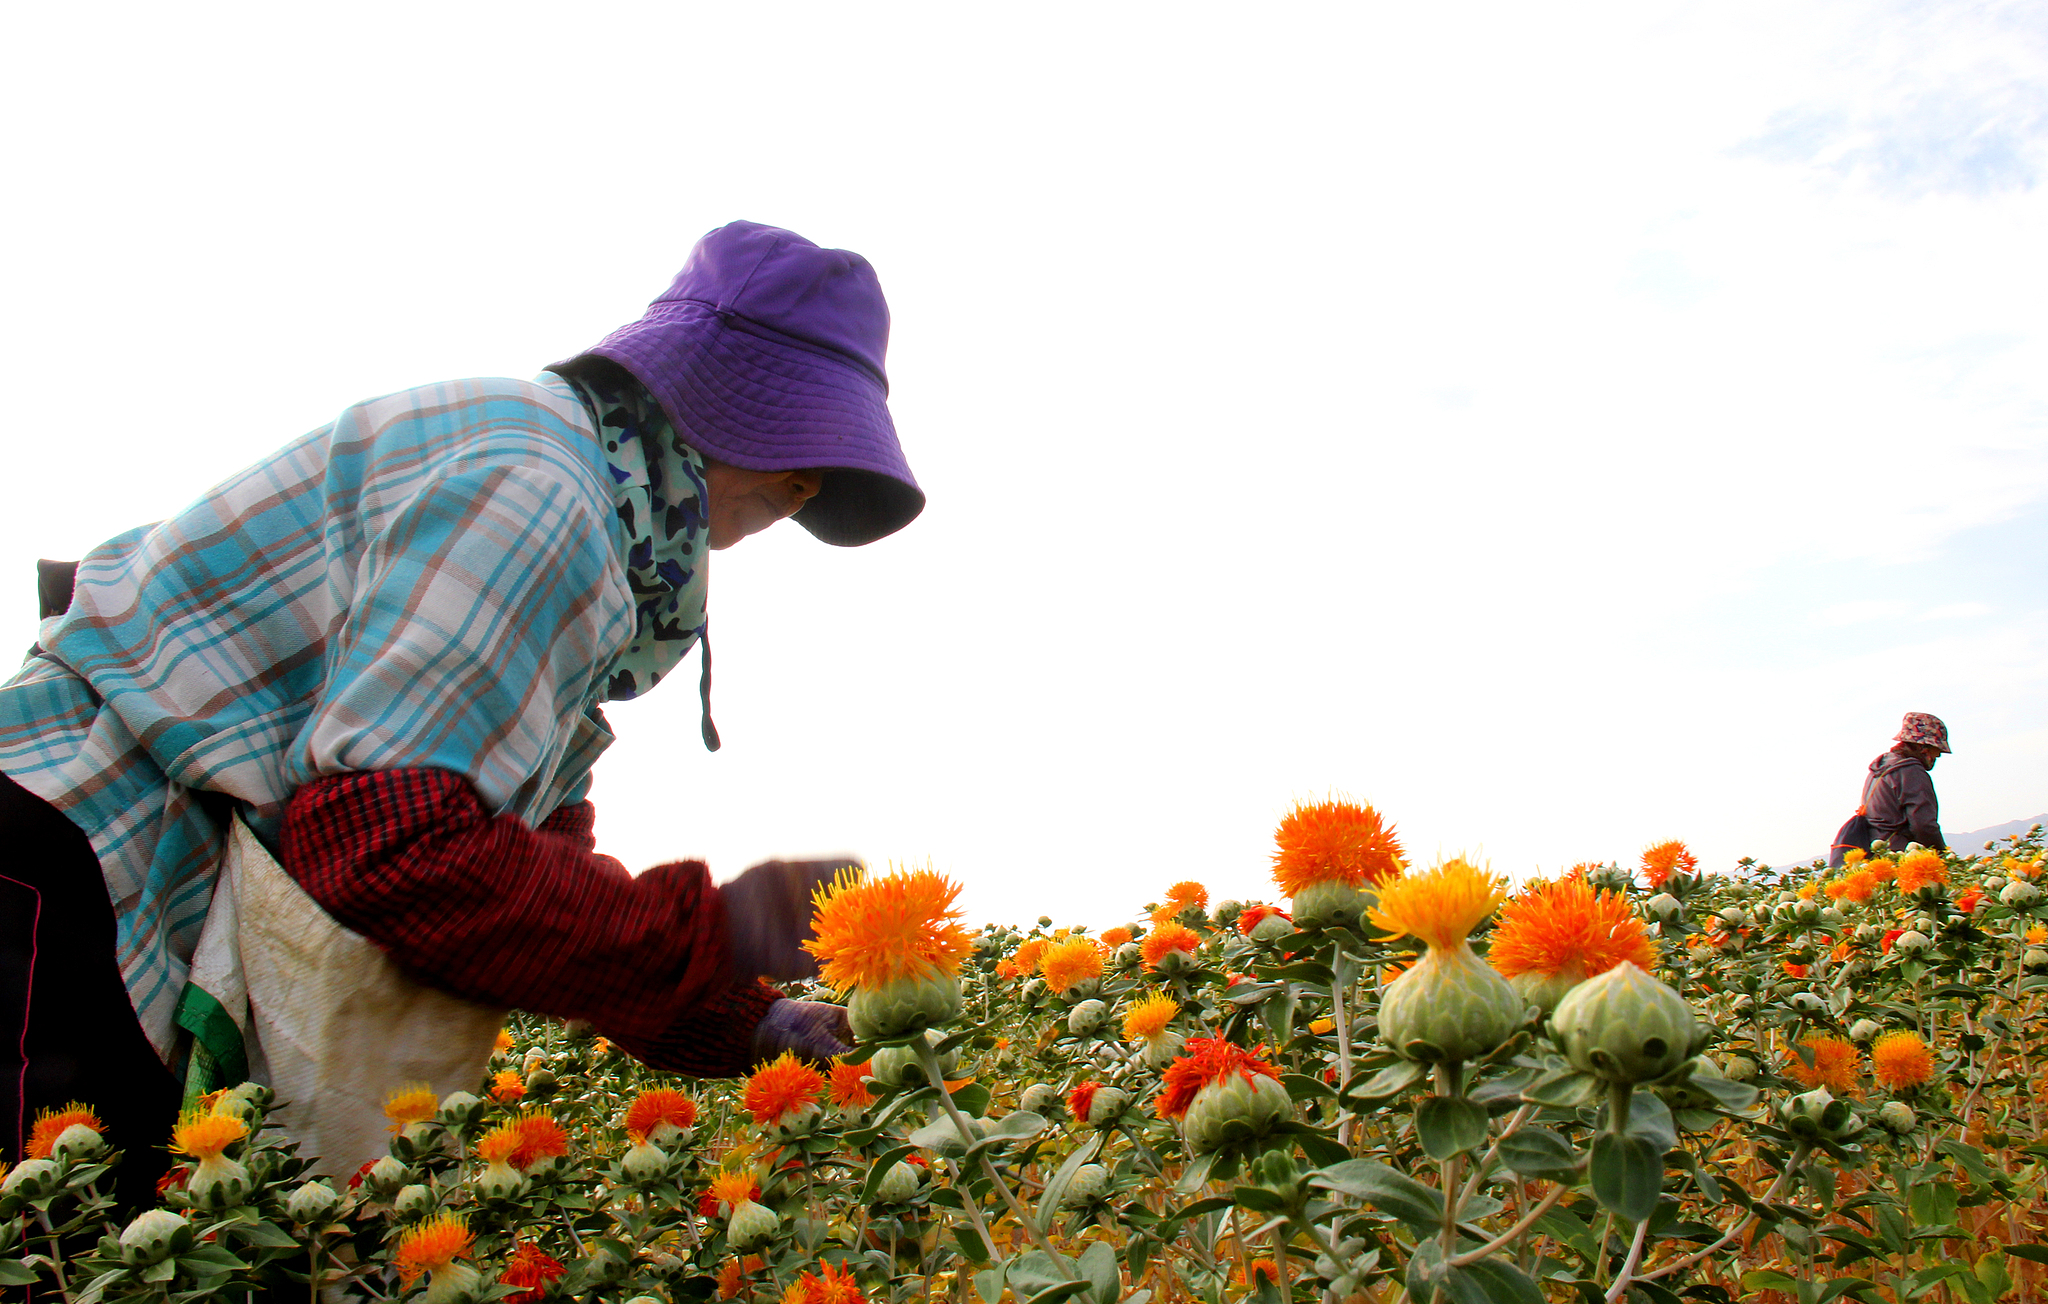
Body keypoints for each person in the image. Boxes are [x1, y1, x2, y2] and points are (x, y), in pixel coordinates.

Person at [0, 220, 919, 1205]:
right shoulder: (537, 490)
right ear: (709, 395)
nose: (807, 484)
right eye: (802, 440)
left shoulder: (593, 515)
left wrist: (747, 1016)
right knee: (58, 1240)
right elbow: (385, 846)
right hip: (59, 858)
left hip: (97, 878)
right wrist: (716, 928)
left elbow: (536, 873)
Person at [1828, 712, 1951, 868]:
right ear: (1923, 748)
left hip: (1877, 858)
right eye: (1937, 749)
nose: (1938, 755)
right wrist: (1943, 858)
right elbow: (1924, 826)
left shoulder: (1880, 769)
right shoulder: (1911, 770)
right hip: (1901, 859)